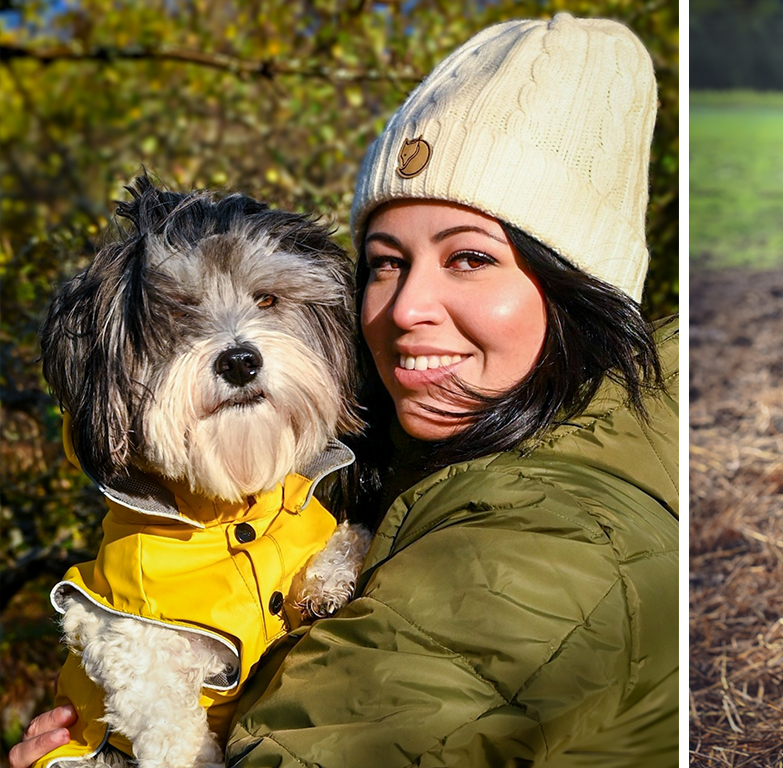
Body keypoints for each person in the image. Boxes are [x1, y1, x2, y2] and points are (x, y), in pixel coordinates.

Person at [11, 13, 678, 768]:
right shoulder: (421, 461)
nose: (406, 306)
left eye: (469, 259)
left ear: (576, 289)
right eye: (387, 262)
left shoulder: (534, 563)